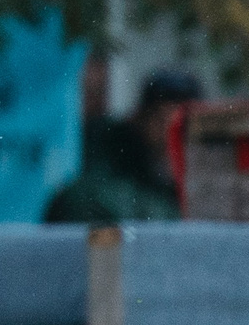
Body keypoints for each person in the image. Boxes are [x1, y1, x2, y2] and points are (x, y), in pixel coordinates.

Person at [44, 68, 202, 223]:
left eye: (183, 127)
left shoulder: (199, 183)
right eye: (161, 121)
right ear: (140, 120)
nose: (169, 135)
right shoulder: (109, 181)